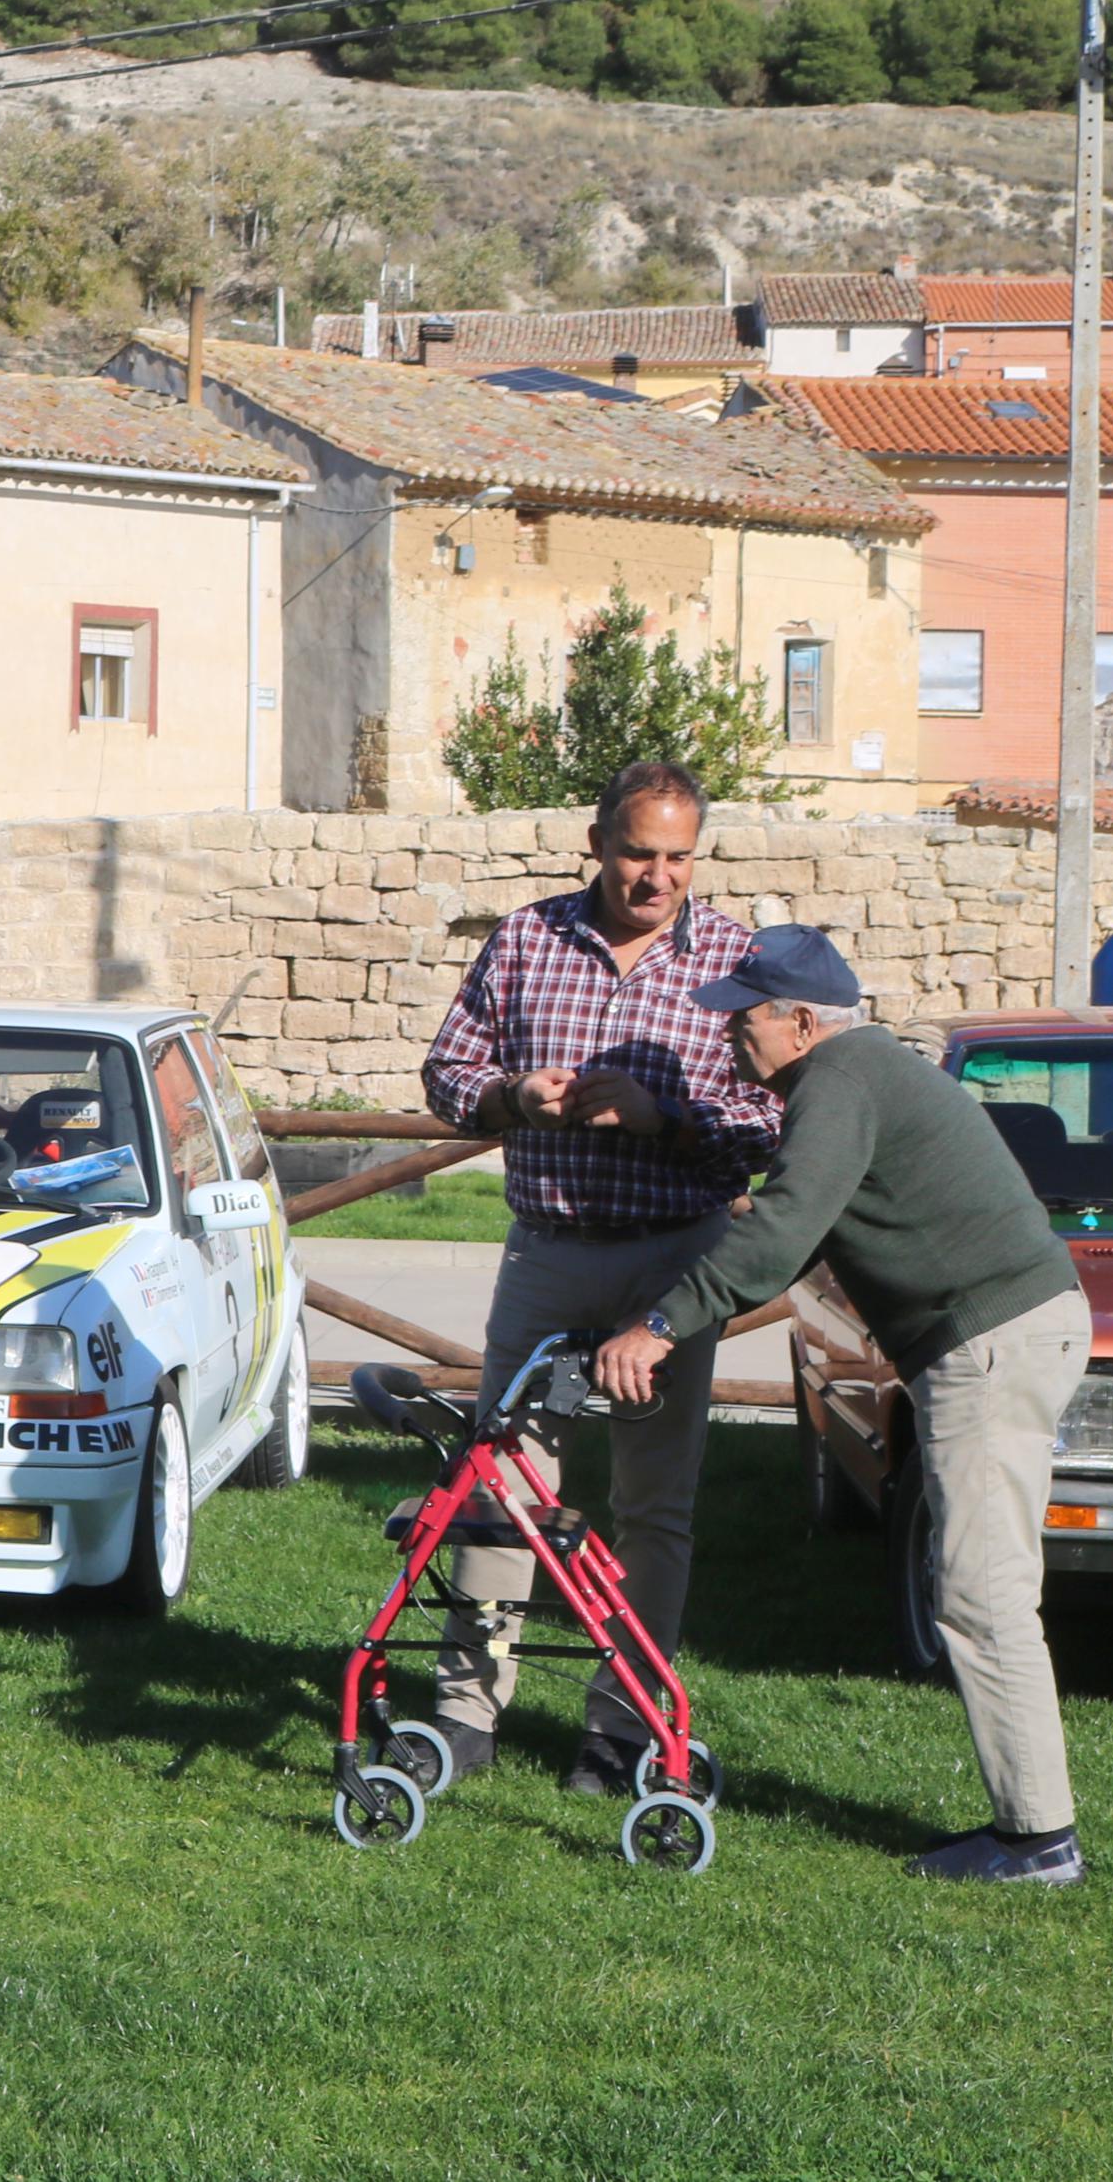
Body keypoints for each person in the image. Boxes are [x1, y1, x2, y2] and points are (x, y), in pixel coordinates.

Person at [591, 925, 1094, 1884]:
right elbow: (803, 1205)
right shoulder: (855, 1073)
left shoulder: (840, 1080)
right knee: (983, 1585)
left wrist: (657, 1325)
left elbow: (779, 1234)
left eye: (746, 1018)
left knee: (982, 1593)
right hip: (1004, 1329)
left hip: (987, 1341)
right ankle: (1035, 1830)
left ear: (802, 1021)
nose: (731, 1033)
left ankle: (1037, 1840)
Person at [413, 758, 782, 1792]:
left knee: (651, 1506)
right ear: (594, 843)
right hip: (545, 1250)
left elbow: (765, 1124)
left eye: (675, 856)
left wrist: (663, 1117)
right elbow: (446, 1072)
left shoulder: (730, 957)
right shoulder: (526, 937)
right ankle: (462, 1716)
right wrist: (507, 1097)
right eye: (635, 853)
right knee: (496, 1487)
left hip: (670, 1264)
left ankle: (618, 1728)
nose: (654, 877)